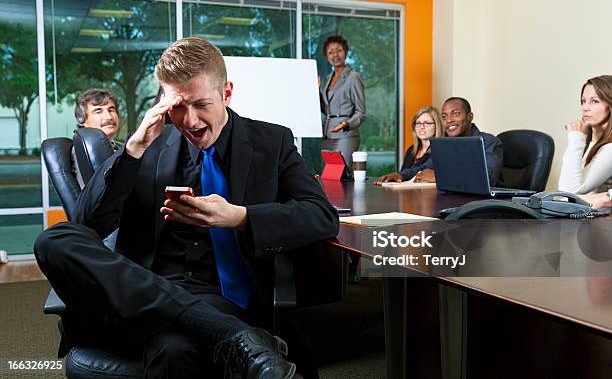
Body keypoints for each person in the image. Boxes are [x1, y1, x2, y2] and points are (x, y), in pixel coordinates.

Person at [34, 37, 339, 379]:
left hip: (221, 295)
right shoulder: (148, 144)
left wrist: (238, 217)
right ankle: (232, 335)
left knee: (174, 350)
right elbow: (87, 225)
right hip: (147, 290)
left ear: (227, 93)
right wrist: (133, 149)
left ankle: (222, 327)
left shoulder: (272, 141)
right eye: (177, 106)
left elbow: (321, 216)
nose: (190, 121)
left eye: (201, 104)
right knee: (53, 239)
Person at [414, 97, 503, 184]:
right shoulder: (446, 144)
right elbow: (425, 167)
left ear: (470, 117)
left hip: (482, 198)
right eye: (444, 116)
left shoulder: (489, 142)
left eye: (456, 114)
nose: (449, 120)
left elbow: (488, 178)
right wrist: (402, 175)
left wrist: (439, 176)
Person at [559, 75, 612, 194]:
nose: (585, 108)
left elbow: (569, 193)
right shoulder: (587, 142)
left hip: (596, 213)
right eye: (583, 101)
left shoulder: (610, 149)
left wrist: (576, 139)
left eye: (594, 101)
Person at [320, 34, 366, 169]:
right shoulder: (327, 79)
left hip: (346, 135)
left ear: (345, 52)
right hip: (328, 134)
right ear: (327, 56)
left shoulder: (353, 77)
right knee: (328, 176)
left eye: (338, 50)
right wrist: (317, 92)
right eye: (330, 52)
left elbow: (361, 112)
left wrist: (346, 124)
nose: (335, 55)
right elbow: (326, 109)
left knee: (341, 174)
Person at [375, 106, 443, 184]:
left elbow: (423, 170)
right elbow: (402, 174)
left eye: (427, 123)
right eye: (418, 123)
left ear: (436, 126)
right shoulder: (411, 150)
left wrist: (400, 175)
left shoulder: (440, 149)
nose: (421, 127)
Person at [72, 88, 123, 188]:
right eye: (98, 111)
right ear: (82, 120)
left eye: (111, 110)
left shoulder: (123, 147)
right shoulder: (83, 150)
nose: (108, 117)